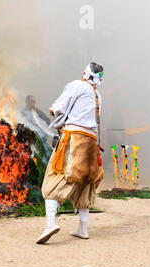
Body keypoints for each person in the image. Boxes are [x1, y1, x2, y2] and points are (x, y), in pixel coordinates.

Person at [36, 62, 105, 244]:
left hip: (74, 139)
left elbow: (57, 108)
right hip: (91, 143)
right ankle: (83, 228)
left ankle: (50, 224)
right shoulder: (97, 95)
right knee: (85, 182)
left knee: (55, 176)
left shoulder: (77, 85)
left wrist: (57, 118)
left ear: (85, 73)